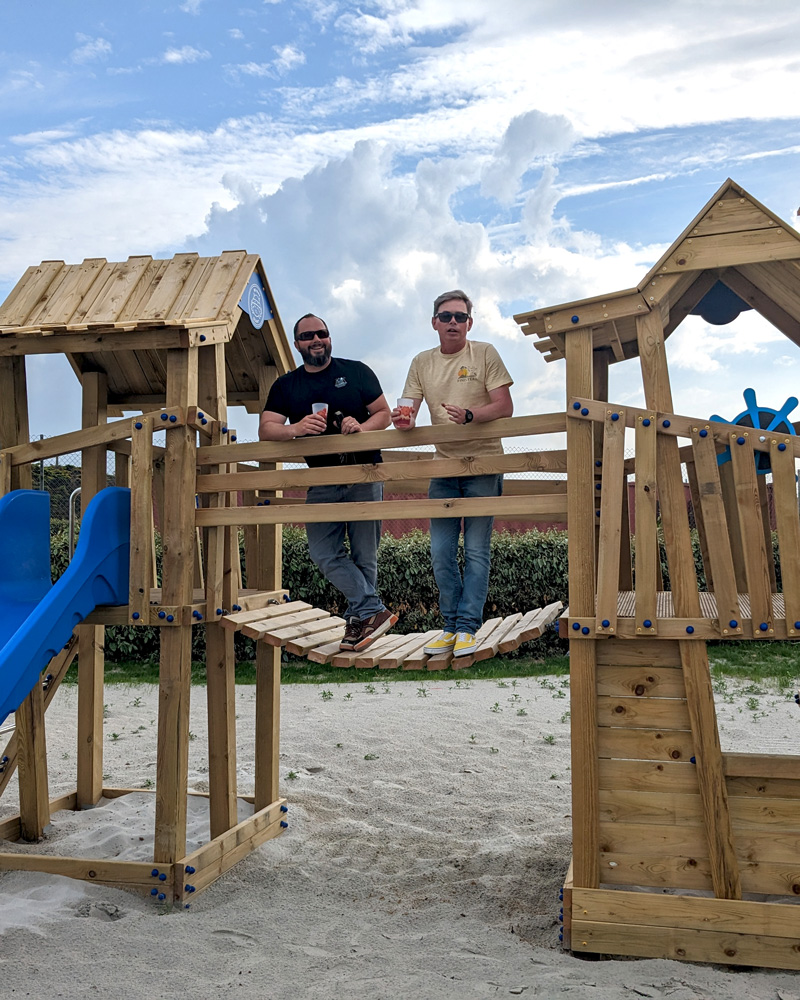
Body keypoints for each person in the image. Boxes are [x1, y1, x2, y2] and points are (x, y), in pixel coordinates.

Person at [259, 313, 397, 652]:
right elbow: (266, 428)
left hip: (364, 473)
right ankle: (372, 610)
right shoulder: (287, 385)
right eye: (307, 336)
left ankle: (358, 624)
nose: (315, 340)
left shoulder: (356, 371)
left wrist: (361, 428)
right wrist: (296, 429)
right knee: (323, 553)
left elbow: (384, 414)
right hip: (321, 480)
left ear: (330, 337)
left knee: (366, 556)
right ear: (297, 344)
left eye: (321, 333)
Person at [392, 290, 513, 657]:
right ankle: (449, 627)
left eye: (460, 317)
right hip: (442, 467)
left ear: (469, 323)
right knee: (441, 552)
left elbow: (505, 406)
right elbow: (407, 412)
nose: (453, 323)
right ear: (434, 323)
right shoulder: (421, 362)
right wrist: (404, 420)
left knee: (476, 551)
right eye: (446, 317)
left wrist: (471, 415)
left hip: (482, 465)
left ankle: (466, 628)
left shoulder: (485, 352)